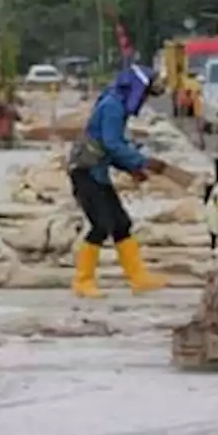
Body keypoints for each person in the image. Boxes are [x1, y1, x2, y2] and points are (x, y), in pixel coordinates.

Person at [67, 64, 168, 298]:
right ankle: (83, 281)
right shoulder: (112, 106)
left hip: (97, 172)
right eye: (144, 94)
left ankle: (138, 277)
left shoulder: (117, 105)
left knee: (121, 223)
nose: (143, 101)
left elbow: (110, 149)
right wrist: (143, 161)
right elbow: (113, 144)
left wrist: (132, 167)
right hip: (85, 172)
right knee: (101, 225)